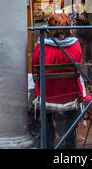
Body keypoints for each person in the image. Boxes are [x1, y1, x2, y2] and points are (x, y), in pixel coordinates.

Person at [31, 13, 84, 149]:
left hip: (47, 97)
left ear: (49, 28)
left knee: (38, 101)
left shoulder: (41, 45)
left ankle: (48, 141)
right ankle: (69, 140)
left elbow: (35, 71)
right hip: (71, 96)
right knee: (75, 95)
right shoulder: (76, 45)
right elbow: (80, 67)